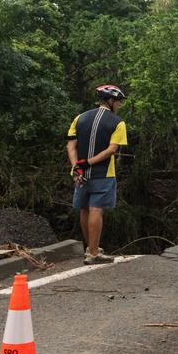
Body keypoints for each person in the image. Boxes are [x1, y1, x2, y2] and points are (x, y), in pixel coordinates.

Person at [66, 84, 128, 265]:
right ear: (110, 101)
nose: (119, 105)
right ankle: (93, 253)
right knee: (96, 209)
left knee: (84, 208)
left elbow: (71, 145)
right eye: (118, 102)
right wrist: (89, 163)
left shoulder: (79, 118)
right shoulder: (118, 122)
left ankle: (90, 248)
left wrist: (77, 166)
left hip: (79, 173)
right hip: (103, 173)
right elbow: (112, 150)